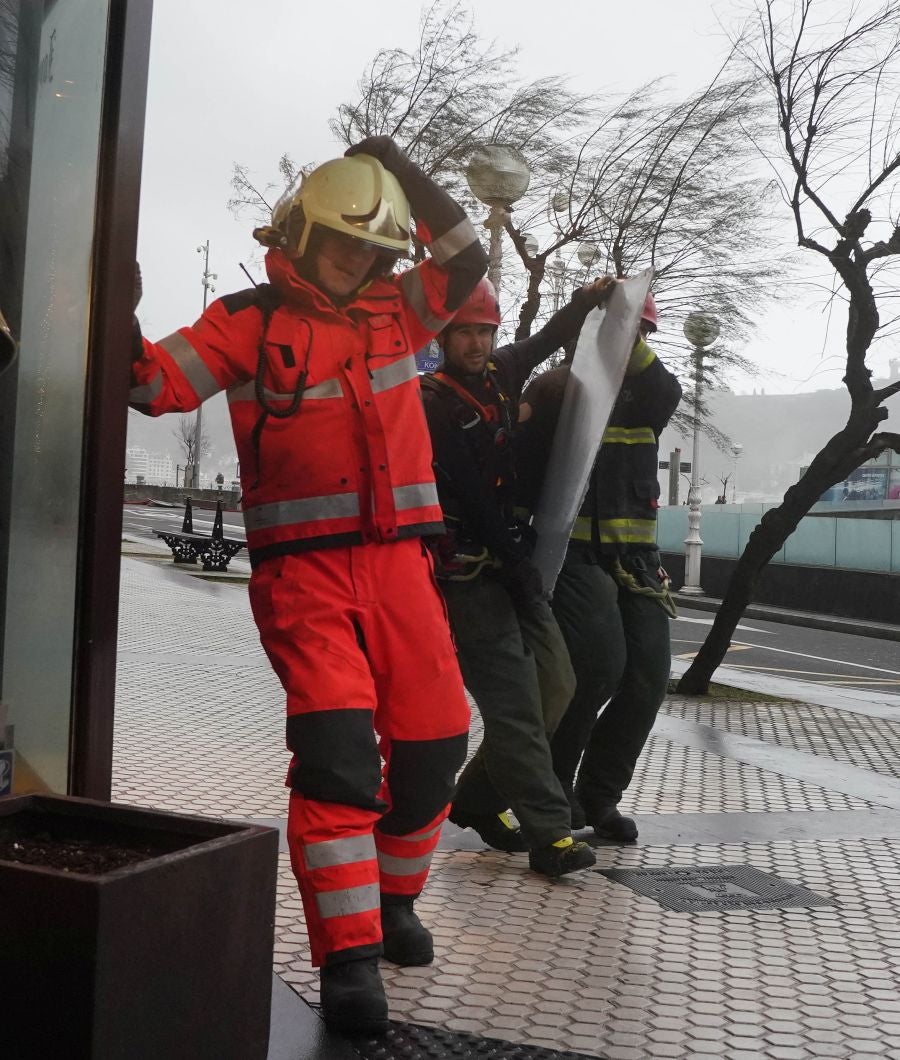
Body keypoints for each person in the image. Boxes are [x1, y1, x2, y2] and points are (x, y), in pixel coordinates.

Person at [128, 137, 487, 1035]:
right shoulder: (245, 321)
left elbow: (466, 255)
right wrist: (105, 306)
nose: (359, 259)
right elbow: (152, 384)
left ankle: (395, 897)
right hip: (307, 578)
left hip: (402, 565)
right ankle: (350, 955)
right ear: (302, 228)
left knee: (436, 743)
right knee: (335, 759)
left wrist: (396, 165)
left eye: (373, 248)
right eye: (343, 241)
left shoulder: (402, 311)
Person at [421, 276, 614, 879]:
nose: (477, 344)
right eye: (465, 333)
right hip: (471, 572)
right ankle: (549, 834)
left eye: (485, 331)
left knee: (559, 684)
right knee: (514, 704)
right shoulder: (432, 403)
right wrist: (514, 560)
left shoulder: (501, 372)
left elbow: (550, 335)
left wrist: (590, 300)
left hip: (513, 562)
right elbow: (472, 496)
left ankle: (476, 799)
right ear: (444, 336)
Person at [518, 291, 682, 843]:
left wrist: (624, 321)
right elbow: (524, 479)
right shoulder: (553, 390)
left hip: (635, 559)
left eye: (640, 333)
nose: (633, 341)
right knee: (598, 667)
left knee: (648, 677)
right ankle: (556, 793)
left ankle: (599, 795)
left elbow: (664, 389)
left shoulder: (649, 390)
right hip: (574, 556)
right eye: (619, 330)